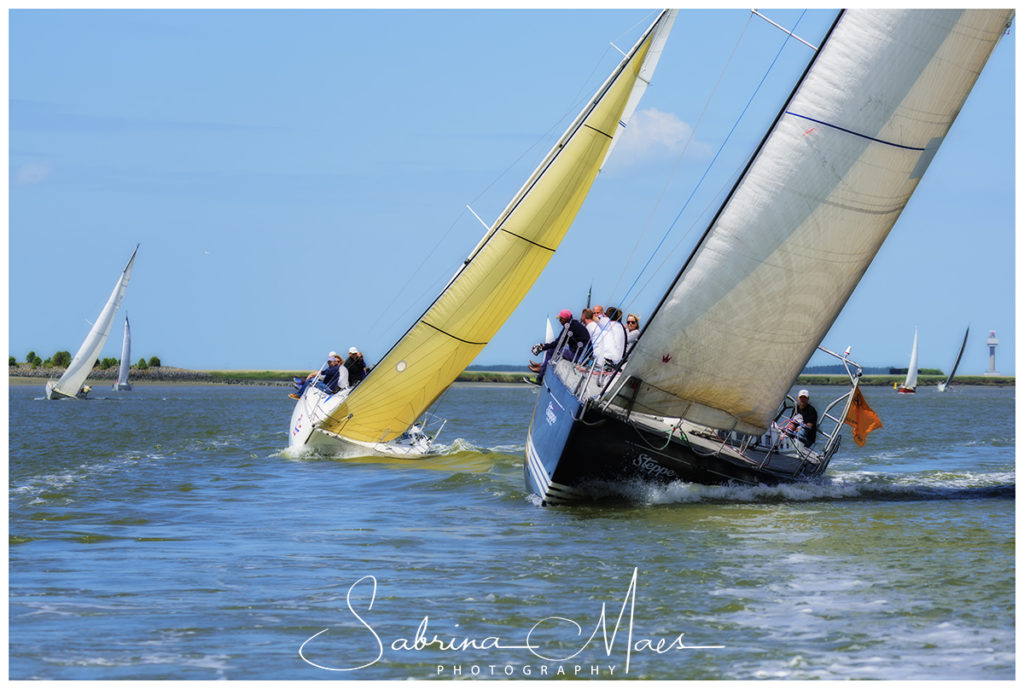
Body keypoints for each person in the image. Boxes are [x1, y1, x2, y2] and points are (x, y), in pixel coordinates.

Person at [528, 309, 591, 382]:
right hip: (583, 356)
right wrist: (542, 345)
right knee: (556, 350)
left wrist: (542, 348)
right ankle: (541, 367)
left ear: (565, 319)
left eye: (560, 319)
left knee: (550, 351)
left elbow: (558, 343)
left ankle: (539, 378)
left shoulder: (569, 327)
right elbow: (560, 342)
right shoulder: (574, 324)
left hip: (578, 357)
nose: (559, 321)